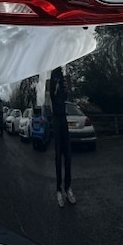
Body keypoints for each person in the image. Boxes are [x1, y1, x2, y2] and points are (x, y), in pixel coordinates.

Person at [48, 67, 76, 206]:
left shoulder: (63, 74)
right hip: (56, 120)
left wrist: (67, 88)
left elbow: (65, 98)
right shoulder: (53, 75)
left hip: (63, 120)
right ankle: (59, 190)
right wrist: (56, 87)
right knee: (58, 157)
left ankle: (68, 188)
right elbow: (52, 96)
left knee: (68, 156)